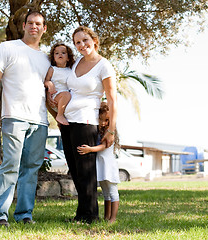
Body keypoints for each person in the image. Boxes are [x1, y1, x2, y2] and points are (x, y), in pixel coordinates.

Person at [0, 10, 50, 227]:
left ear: (44, 28)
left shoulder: (46, 59)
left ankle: (24, 215)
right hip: (14, 116)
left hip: (40, 121)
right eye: (30, 23)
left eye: (38, 24)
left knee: (31, 169)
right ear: (23, 26)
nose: (34, 26)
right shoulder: (8, 47)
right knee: (10, 165)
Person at [59, 26, 117, 223]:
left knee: (86, 171)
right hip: (68, 123)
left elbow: (112, 100)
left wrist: (111, 130)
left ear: (94, 40)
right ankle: (81, 213)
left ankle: (90, 215)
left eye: (85, 40)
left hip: (86, 122)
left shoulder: (104, 65)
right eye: (77, 42)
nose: (82, 45)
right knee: (75, 170)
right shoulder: (76, 64)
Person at [77, 102, 120, 223]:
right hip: (100, 165)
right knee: (105, 193)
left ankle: (113, 218)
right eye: (100, 119)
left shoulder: (110, 132)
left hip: (108, 165)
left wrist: (90, 149)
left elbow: (103, 146)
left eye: (106, 120)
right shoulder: (98, 130)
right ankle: (107, 216)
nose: (103, 123)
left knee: (113, 192)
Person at [44, 42, 74, 125]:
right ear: (53, 58)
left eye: (63, 53)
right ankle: (59, 115)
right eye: (57, 53)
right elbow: (46, 81)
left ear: (68, 58)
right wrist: (49, 84)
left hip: (68, 99)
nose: (60, 54)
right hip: (56, 97)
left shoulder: (70, 70)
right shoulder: (53, 69)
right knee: (66, 94)